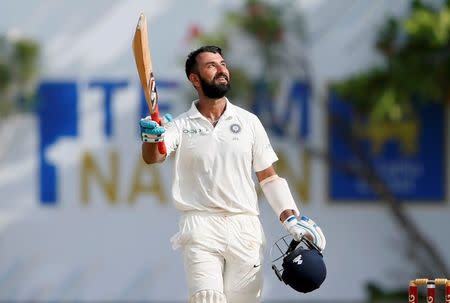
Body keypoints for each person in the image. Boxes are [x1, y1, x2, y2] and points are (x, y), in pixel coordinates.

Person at [139, 45, 326, 303]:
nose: (221, 70)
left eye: (223, 64)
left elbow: (268, 176)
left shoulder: (249, 122)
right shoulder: (180, 125)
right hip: (200, 225)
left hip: (244, 225)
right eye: (211, 66)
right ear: (195, 79)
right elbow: (155, 155)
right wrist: (151, 139)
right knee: (207, 298)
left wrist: (291, 219)